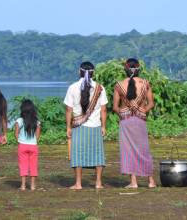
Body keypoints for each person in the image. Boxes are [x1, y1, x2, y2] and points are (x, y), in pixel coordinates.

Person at [113, 58, 156, 188]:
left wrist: (125, 113)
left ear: (125, 69)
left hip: (126, 121)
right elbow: (151, 104)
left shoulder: (119, 85)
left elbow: (115, 107)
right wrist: (141, 110)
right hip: (140, 120)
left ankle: (134, 182)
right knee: (144, 149)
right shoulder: (145, 83)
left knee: (129, 150)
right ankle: (151, 181)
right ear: (138, 69)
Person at [64, 61, 108, 190]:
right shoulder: (100, 88)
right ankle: (98, 183)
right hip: (95, 126)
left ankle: (78, 183)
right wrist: (104, 126)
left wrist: (68, 127)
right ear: (93, 73)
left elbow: (68, 110)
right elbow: (104, 109)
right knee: (98, 154)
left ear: (79, 72)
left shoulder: (72, 87)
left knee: (78, 154)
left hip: (78, 126)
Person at [14, 99, 41, 191]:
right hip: (33, 146)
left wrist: (19, 140)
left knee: (23, 165)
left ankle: (23, 186)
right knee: (33, 165)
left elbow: (16, 133)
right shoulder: (37, 121)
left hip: (22, 145)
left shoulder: (19, 120)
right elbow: (38, 134)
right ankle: (33, 186)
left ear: (22, 109)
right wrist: (34, 142)